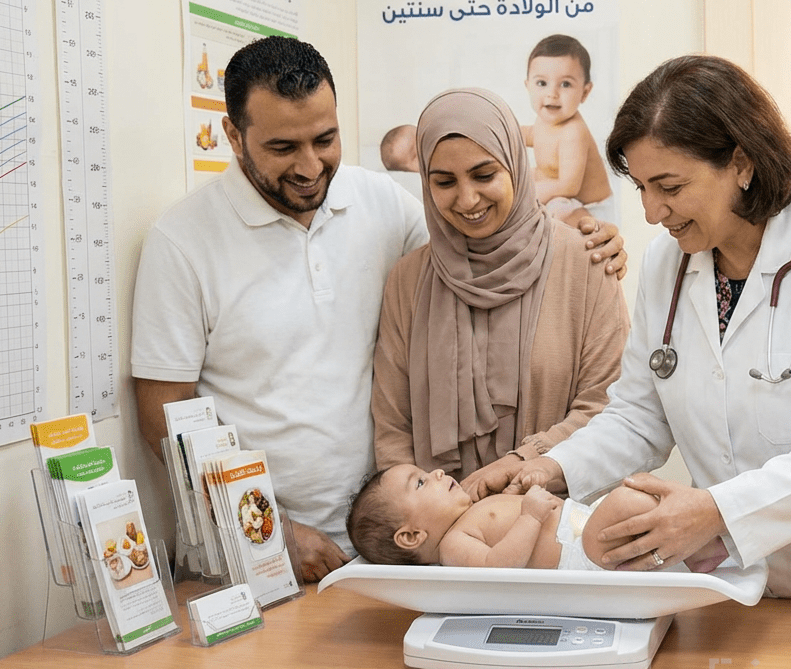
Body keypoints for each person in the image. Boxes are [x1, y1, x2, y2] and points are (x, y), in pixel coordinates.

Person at [131, 36, 626, 582]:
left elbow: (475, 248)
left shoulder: (381, 205)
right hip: (262, 551)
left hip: (394, 552)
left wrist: (578, 229)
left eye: (325, 139)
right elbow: (165, 418)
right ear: (233, 135)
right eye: (283, 147)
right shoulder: (183, 242)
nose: (310, 166)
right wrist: (268, 530)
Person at [486, 54, 791, 604]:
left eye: (669, 186)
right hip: (741, 585)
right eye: (641, 187)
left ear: (741, 163)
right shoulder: (667, 264)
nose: (652, 212)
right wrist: (552, 468)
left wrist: (715, 511)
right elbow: (640, 416)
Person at [371, 87, 629, 500]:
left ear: (515, 164)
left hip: (558, 522)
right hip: (441, 532)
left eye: (484, 175)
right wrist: (432, 519)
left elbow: (608, 406)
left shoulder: (587, 261)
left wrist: (527, 463)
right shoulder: (409, 280)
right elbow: (393, 428)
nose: (467, 199)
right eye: (444, 181)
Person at [347, 463, 686, 572]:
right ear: (411, 536)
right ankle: (698, 548)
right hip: (580, 552)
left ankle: (698, 549)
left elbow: (506, 521)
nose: (435, 472)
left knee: (642, 489)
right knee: (629, 500)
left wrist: (523, 489)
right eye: (420, 482)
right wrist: (531, 516)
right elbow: (499, 567)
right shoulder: (452, 546)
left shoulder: (469, 514)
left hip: (584, 524)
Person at [520, 34, 614, 227]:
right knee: (516, 176)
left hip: (590, 208)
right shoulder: (545, 120)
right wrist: (502, 133)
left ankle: (590, 234)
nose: (552, 93)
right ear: (528, 86)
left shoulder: (573, 132)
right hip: (563, 194)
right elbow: (531, 135)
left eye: (565, 84)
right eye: (542, 83)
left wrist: (529, 193)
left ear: (585, 92)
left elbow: (568, 186)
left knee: (556, 210)